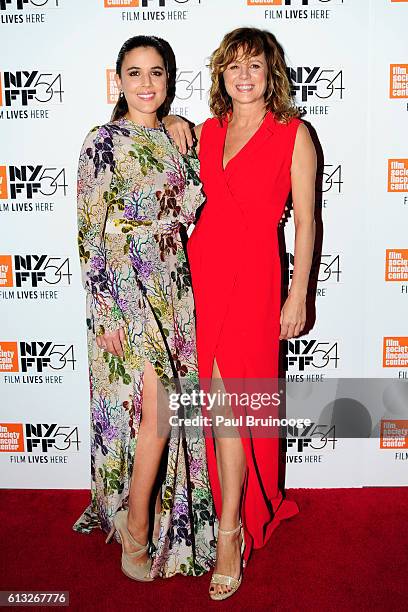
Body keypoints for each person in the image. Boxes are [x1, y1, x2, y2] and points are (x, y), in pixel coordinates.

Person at [164, 27, 316, 600]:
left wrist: (298, 294)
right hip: (203, 272)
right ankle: (232, 515)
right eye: (233, 66)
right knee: (216, 400)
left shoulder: (294, 134)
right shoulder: (206, 130)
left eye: (255, 65)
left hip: (254, 277)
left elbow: (306, 223)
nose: (244, 75)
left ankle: (231, 533)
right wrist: (172, 123)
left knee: (231, 398)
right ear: (222, 75)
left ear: (270, 73)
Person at [74, 35, 216, 581]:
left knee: (166, 407)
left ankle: (150, 514)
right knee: (155, 405)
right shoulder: (102, 141)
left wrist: (179, 124)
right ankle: (136, 525)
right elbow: (90, 230)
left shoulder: (182, 138)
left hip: (174, 283)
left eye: (156, 73)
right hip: (125, 281)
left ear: (169, 79)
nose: (146, 84)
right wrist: (105, 310)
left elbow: (196, 206)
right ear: (119, 80)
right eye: (135, 73)